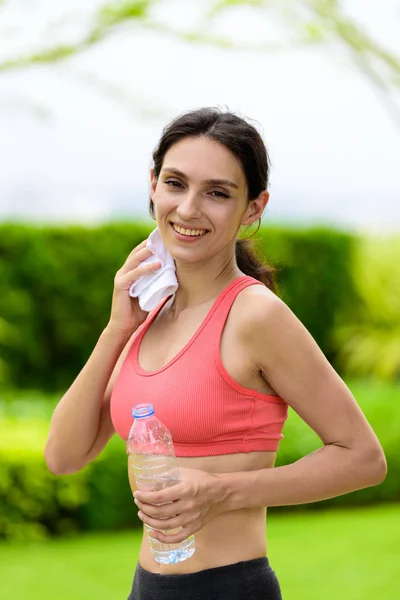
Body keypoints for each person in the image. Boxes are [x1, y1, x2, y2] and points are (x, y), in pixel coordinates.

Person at [44, 107, 387, 600]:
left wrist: (222, 492)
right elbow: (64, 454)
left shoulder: (255, 316)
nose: (188, 209)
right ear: (153, 185)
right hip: (146, 588)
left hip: (229, 587)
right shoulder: (147, 314)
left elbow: (363, 459)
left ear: (253, 208)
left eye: (218, 193)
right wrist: (117, 328)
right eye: (175, 183)